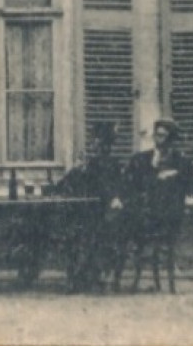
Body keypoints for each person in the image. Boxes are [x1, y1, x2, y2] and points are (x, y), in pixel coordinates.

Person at [119, 118, 193, 293]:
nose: (159, 140)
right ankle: (118, 280)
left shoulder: (182, 163)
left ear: (172, 140)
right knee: (116, 227)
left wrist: (175, 178)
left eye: (163, 136)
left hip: (167, 219)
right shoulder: (141, 159)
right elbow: (127, 185)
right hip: (142, 217)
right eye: (157, 135)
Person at [54, 122, 126, 292]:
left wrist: (113, 198)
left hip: (103, 213)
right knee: (75, 232)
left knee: (87, 235)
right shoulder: (90, 164)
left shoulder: (110, 164)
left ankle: (84, 277)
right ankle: (80, 276)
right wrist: (76, 171)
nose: (96, 145)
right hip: (86, 211)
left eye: (100, 142)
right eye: (96, 142)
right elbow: (67, 184)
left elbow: (111, 188)